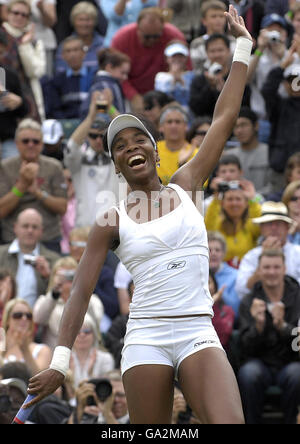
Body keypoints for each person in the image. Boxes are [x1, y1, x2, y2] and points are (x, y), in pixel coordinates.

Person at [25, 6, 252, 424]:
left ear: (153, 148)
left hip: (197, 331)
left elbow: (224, 117)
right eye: (120, 146)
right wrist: (59, 361)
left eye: (138, 140)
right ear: (116, 165)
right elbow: (79, 291)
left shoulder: (187, 184)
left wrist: (242, 47)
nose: (131, 148)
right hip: (145, 336)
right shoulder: (110, 220)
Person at [237, 249, 300, 424]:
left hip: (291, 362)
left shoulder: (297, 298)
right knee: (248, 374)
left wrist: (283, 327)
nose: (271, 272)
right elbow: (242, 348)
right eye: (266, 267)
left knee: (297, 375)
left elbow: (299, 346)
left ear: (284, 269)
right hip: (259, 362)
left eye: (276, 267)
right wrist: (258, 326)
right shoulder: (249, 301)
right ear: (259, 270)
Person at [0, 118, 68, 253]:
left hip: (48, 239)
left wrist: (38, 192)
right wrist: (22, 186)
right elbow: (1, 210)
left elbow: (62, 207)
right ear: (17, 144)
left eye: (35, 141)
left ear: (42, 144)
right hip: (12, 240)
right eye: (25, 141)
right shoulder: (5, 167)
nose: (31, 145)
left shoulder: (54, 166)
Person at [110, 6, 187, 112]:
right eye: (146, 37)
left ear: (162, 28)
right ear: (137, 29)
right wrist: (133, 96)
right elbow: (114, 73)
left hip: (165, 93)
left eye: (156, 36)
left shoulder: (174, 36)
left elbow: (187, 69)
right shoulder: (122, 38)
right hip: (131, 95)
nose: (151, 40)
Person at [64, 92, 122, 228]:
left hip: (114, 229)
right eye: (92, 135)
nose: (97, 140)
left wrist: (111, 109)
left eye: (101, 136)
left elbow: (128, 132)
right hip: (85, 228)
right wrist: (91, 117)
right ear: (86, 136)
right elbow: (71, 148)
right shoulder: (78, 161)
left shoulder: (118, 158)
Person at [33, 256, 104, 349]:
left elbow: (96, 321)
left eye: (71, 275)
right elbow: (38, 319)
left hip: (86, 354)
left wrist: (82, 293)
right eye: (62, 275)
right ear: (54, 278)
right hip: (55, 354)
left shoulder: (93, 300)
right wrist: (54, 294)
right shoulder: (46, 300)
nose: (67, 278)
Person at [235, 201, 300, 299]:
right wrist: (263, 258)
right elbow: (242, 290)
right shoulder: (251, 256)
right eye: (269, 223)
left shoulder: (298, 253)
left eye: (278, 223)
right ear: (261, 228)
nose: (274, 228)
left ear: (287, 227)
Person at [0, 208, 60, 308]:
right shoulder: (1, 254)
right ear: (15, 228)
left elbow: (60, 297)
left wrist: (48, 277)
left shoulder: (53, 260)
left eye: (34, 227)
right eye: (25, 226)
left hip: (38, 319)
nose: (30, 230)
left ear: (42, 231)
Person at [0, 0, 46, 121]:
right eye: (16, 13)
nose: (19, 17)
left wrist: (25, 45)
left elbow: (35, 72)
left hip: (26, 96)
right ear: (8, 13)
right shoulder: (1, 35)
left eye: (24, 15)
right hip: (4, 91)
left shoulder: (34, 42)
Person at [261, 40, 300, 178]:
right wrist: (283, 65)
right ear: (284, 84)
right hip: (281, 170)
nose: (296, 85)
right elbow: (267, 90)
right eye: (292, 80)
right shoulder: (278, 106)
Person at [189, 32, 251, 118]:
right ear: (207, 53)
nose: (217, 55)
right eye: (212, 51)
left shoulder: (238, 79)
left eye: (220, 50)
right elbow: (196, 109)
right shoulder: (199, 80)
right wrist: (210, 87)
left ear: (228, 51)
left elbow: (243, 107)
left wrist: (224, 91)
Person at [205, 180, 261, 268]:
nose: (234, 203)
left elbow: (259, 224)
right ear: (222, 203)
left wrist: (252, 200)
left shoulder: (249, 224)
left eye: (238, 199)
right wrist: (216, 196)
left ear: (246, 204)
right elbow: (209, 224)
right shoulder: (217, 223)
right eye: (230, 199)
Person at [43, 36, 96, 119]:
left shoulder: (95, 77)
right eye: (68, 51)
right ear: (63, 56)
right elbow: (54, 110)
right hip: (66, 125)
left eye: (76, 50)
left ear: (84, 53)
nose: (72, 54)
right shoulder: (56, 81)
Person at [1, 299, 52, 376]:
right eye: (18, 315)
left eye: (28, 316)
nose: (24, 318)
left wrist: (25, 350)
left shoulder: (42, 350)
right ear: (8, 319)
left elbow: (40, 381)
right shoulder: (1, 348)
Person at [228, 107, 271, 196]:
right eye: (236, 127)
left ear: (256, 126)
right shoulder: (229, 156)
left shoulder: (269, 153)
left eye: (244, 125)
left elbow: (274, 185)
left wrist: (253, 197)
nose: (239, 130)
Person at [80, 47, 131, 119]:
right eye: (122, 73)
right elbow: (103, 115)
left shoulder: (109, 84)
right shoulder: (105, 86)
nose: (125, 77)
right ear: (109, 67)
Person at [0, 28, 28, 160]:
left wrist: (19, 102)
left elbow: (24, 110)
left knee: (12, 168)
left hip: (7, 137)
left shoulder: (10, 75)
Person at [55, 1, 104, 74]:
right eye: (81, 20)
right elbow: (60, 72)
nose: (84, 24)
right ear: (73, 22)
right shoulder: (65, 46)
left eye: (88, 20)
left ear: (95, 21)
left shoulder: (103, 44)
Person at [156, 104, 198, 185]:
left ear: (186, 126)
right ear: (161, 127)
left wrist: (182, 164)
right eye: (169, 122)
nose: (173, 126)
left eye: (178, 122)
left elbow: (200, 187)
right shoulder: (153, 150)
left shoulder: (196, 153)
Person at [190, 0, 235, 73]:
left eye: (221, 16)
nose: (218, 20)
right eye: (214, 16)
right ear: (204, 21)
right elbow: (197, 71)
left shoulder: (233, 41)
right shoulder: (196, 44)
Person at [154, 40, 194, 114]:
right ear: (167, 58)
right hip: (168, 114)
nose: (177, 59)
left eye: (180, 56)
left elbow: (192, 97)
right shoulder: (160, 77)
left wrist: (181, 81)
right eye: (174, 56)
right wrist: (173, 81)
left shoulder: (192, 75)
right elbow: (160, 98)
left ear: (186, 58)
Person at [208, 231, 240, 318]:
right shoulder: (196, 274)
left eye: (217, 250)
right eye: (209, 250)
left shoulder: (235, 275)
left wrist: (220, 296)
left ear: (223, 253)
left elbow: (236, 311)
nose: (213, 253)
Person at [209, 270, 235, 352]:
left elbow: (222, 337)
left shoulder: (226, 310)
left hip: (220, 353)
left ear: (215, 285)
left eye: (208, 282)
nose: (204, 286)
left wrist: (210, 304)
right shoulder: (188, 311)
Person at [282, 180, 300, 244]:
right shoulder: (279, 223)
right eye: (294, 199)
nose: (298, 202)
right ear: (287, 201)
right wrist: (290, 232)